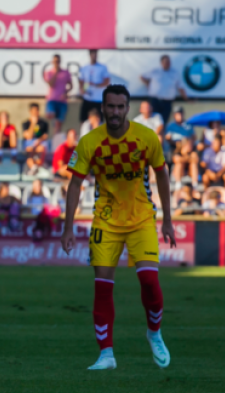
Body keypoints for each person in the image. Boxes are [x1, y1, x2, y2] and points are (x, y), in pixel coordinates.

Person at [61, 84, 175, 371]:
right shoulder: (89, 142)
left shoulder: (146, 137)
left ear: (127, 108)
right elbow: (75, 184)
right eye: (110, 106)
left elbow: (162, 175)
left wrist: (169, 219)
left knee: (149, 281)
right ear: (102, 107)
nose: (115, 112)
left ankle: (154, 332)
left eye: (120, 107)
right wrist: (68, 226)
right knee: (102, 287)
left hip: (141, 219)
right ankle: (106, 354)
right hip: (106, 221)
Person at [140, 55, 186, 124]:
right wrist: (148, 84)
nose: (168, 64)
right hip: (155, 100)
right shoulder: (155, 71)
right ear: (161, 63)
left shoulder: (175, 73)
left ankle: (161, 134)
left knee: (164, 121)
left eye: (169, 62)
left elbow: (180, 86)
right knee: (153, 120)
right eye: (166, 62)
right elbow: (142, 76)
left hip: (167, 102)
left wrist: (186, 98)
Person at [78, 49, 110, 123]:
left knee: (99, 121)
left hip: (98, 99)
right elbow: (82, 81)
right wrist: (82, 89)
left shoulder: (102, 67)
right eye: (92, 54)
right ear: (89, 55)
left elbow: (107, 81)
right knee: (83, 120)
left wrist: (96, 84)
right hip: (87, 98)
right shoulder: (85, 68)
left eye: (95, 54)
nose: (94, 56)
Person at [43, 54, 73, 133]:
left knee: (59, 123)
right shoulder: (49, 73)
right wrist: (56, 72)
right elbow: (51, 84)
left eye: (58, 61)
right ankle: (52, 136)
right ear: (52, 62)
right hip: (52, 100)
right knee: (51, 118)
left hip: (62, 101)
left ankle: (57, 138)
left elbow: (71, 85)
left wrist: (66, 92)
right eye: (55, 61)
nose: (57, 63)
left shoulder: (66, 72)